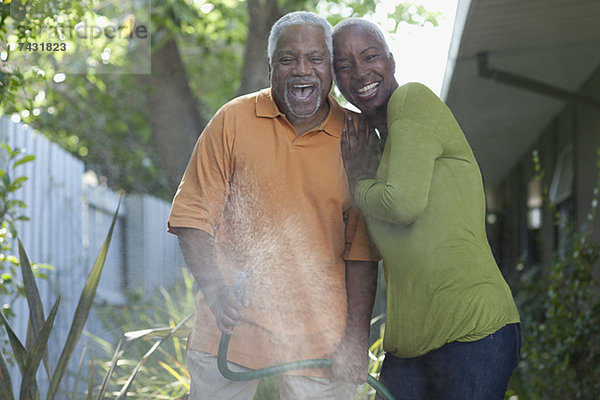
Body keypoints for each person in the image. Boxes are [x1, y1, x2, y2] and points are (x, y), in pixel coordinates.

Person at [167, 11, 379, 400]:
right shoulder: (232, 120)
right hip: (229, 331)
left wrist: (355, 339)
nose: (303, 70)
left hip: (321, 341)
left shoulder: (358, 135)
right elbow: (191, 217)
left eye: (316, 59)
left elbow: (362, 250)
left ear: (331, 68)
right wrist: (214, 288)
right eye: (288, 59)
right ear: (270, 66)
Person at [332, 18, 521, 400]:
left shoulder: (412, 100)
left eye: (369, 57)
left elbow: (402, 205)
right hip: (408, 348)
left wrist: (358, 183)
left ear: (391, 60)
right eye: (344, 66)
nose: (360, 72)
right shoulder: (381, 155)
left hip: (472, 330)